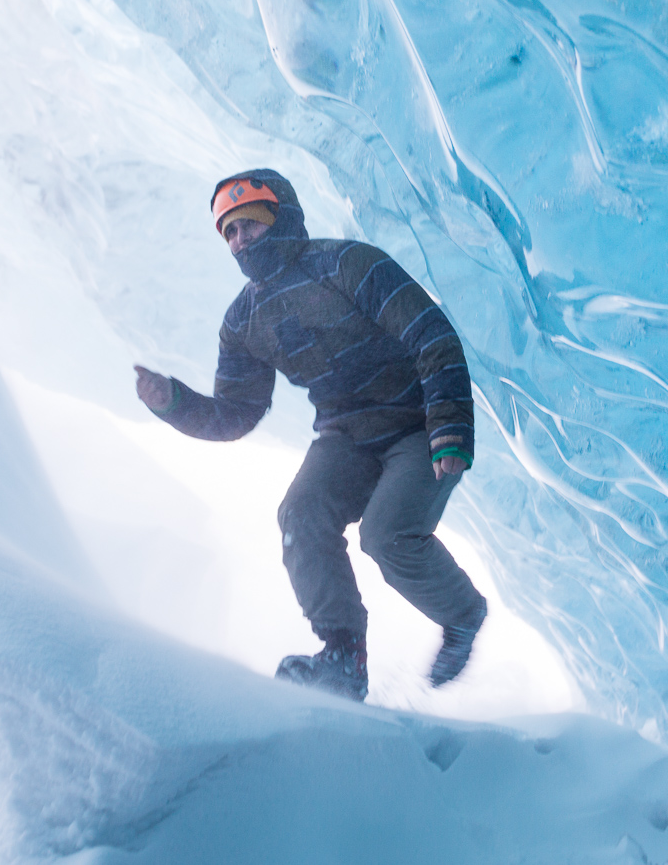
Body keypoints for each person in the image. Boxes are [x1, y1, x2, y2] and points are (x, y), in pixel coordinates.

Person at [133, 169, 486, 702]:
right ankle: (344, 657)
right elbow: (235, 414)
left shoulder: (347, 263)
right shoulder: (243, 321)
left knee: (386, 535)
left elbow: (429, 333)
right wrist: (174, 402)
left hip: (418, 424)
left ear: (282, 217)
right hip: (346, 436)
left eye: (248, 224)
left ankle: (462, 615)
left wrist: (450, 428)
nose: (239, 240)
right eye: (228, 232)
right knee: (299, 515)